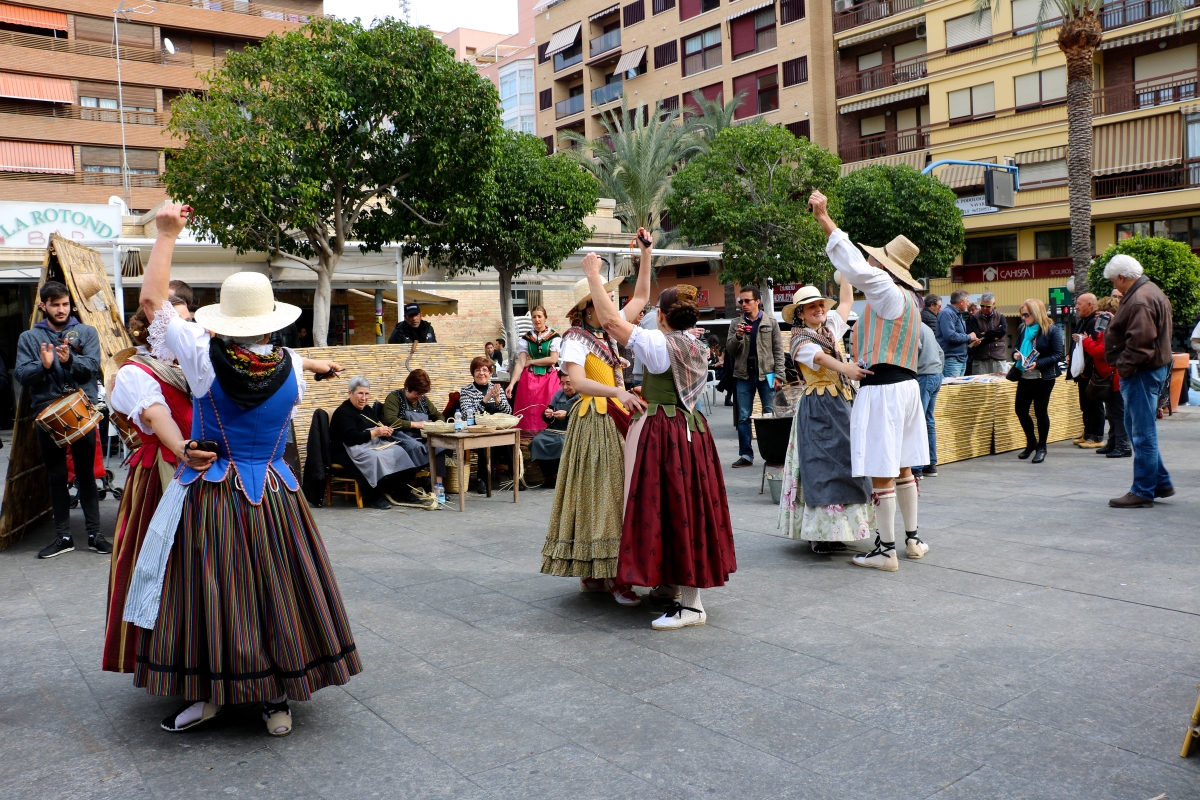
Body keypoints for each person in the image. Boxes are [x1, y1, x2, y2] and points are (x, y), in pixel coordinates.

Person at [132, 203, 358, 737]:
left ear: (223, 319)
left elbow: (149, 301)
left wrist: (166, 233)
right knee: (275, 589)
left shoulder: (201, 355)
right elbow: (308, 373)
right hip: (275, 491)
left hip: (212, 491)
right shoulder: (295, 366)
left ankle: (207, 696)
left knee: (209, 591)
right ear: (270, 319)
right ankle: (275, 700)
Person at [584, 261, 735, 631]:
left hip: (665, 433)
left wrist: (592, 275)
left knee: (672, 506)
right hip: (692, 431)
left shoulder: (658, 342)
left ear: (662, 316)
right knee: (685, 505)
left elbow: (610, 322)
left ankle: (692, 605)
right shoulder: (695, 344)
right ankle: (672, 586)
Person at [810, 190, 929, 572]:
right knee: (905, 465)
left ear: (885, 265)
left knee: (882, 467)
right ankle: (911, 540)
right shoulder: (910, 300)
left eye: (877, 257)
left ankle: (887, 549)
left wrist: (826, 219)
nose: (872, 259)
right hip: (906, 386)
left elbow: (858, 270)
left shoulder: (887, 291)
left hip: (885, 389)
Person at [540, 228, 652, 605]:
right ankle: (608, 575)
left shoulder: (607, 331)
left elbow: (641, 296)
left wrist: (646, 255)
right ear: (587, 308)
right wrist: (617, 391)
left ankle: (604, 573)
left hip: (616, 416)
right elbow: (577, 381)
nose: (609, 302)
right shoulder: (573, 337)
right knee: (603, 496)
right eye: (601, 298)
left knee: (615, 494)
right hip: (595, 421)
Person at [103, 299, 195, 673]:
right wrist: (179, 447)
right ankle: (165, 658)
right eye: (177, 322)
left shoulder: (192, 366)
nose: (186, 330)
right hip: (162, 473)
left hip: (203, 468)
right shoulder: (135, 372)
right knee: (160, 564)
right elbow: (155, 416)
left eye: (188, 321)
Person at [776, 282, 874, 554]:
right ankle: (819, 534)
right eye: (812, 307)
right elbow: (818, 357)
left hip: (841, 403)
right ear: (801, 313)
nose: (819, 309)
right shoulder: (800, 339)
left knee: (847, 462)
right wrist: (846, 367)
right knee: (821, 467)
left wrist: (846, 274)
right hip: (819, 406)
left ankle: (839, 529)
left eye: (820, 305)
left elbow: (845, 303)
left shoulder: (828, 328)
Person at [16, 281, 108, 559]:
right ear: (43, 306)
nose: (61, 309)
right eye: (55, 304)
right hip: (48, 413)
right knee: (56, 476)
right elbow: (22, 375)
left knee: (86, 476)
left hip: (81, 410)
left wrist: (69, 362)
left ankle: (94, 535)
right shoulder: (29, 338)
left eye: (65, 304)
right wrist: (42, 366)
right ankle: (63, 536)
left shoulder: (86, 332)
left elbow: (92, 369)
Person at [1103, 254, 1175, 508]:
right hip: (1148, 370)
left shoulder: (1139, 300)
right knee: (1139, 429)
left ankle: (1144, 490)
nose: (1115, 286)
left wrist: (1124, 367)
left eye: (1115, 281)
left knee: (1142, 433)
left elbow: (1141, 343)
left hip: (1141, 372)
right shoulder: (1150, 291)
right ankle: (1160, 482)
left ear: (1122, 277)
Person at [331, 377, 424, 509]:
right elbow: (351, 437)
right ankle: (374, 495)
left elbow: (377, 426)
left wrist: (385, 431)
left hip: (372, 444)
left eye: (367, 394)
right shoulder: (343, 412)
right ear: (350, 393)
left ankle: (400, 490)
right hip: (352, 449)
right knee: (375, 458)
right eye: (360, 393)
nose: (364, 398)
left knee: (399, 451)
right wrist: (375, 433)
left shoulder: (367, 409)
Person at [727, 286, 785, 468]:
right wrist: (737, 336)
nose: (743, 304)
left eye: (747, 301)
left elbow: (778, 351)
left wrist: (780, 376)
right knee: (743, 417)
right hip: (743, 376)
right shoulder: (736, 323)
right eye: (741, 301)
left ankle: (773, 455)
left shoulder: (771, 322)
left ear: (757, 301)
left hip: (767, 374)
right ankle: (746, 455)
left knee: (770, 416)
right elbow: (729, 350)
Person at [1012, 298, 1064, 464]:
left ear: (1036, 313)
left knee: (1040, 412)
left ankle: (1042, 447)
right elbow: (1017, 346)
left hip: (1043, 377)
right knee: (1020, 410)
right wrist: (1017, 354)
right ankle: (1031, 441)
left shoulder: (1051, 330)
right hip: (1024, 375)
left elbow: (1058, 355)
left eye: (1026, 315)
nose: (1023, 318)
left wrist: (1038, 363)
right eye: (1022, 315)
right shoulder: (1022, 328)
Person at [381, 368, 447, 497]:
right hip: (398, 435)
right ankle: (404, 486)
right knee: (413, 447)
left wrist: (436, 424)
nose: (420, 397)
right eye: (417, 394)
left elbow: (439, 416)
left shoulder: (423, 400)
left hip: (420, 437)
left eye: (422, 394)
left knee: (439, 445)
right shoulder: (394, 397)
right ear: (407, 387)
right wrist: (415, 424)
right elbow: (391, 420)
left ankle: (438, 488)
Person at [1082, 297, 1130, 458]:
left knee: (1118, 413)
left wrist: (1086, 341)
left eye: (1100, 313)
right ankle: (1113, 443)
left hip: (1114, 378)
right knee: (1113, 412)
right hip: (1110, 377)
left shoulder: (1113, 331)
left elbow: (1101, 351)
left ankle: (1123, 445)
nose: (1097, 317)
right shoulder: (1109, 329)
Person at [459, 355, 515, 492]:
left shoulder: (497, 388)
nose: (481, 373)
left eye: (485, 370)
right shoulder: (466, 391)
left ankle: (515, 477)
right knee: (486, 442)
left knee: (509, 440)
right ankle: (482, 479)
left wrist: (497, 400)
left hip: (496, 429)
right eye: (477, 370)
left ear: (490, 373)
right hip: (476, 431)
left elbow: (508, 412)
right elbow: (466, 415)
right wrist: (485, 399)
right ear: (473, 373)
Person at [506, 306, 562, 434]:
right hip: (529, 378)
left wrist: (531, 361)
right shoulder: (526, 338)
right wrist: (512, 384)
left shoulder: (554, 336)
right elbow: (520, 363)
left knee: (548, 406)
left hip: (549, 378)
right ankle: (527, 442)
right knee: (529, 409)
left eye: (539, 316)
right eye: (534, 316)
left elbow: (553, 359)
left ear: (545, 318)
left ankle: (549, 436)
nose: (536, 319)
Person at [528, 372, 579, 489]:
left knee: (562, 444)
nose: (565, 387)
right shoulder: (559, 395)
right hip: (554, 430)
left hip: (572, 432)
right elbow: (548, 415)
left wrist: (567, 415)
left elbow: (585, 417)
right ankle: (549, 476)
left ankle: (561, 478)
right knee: (537, 442)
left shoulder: (582, 397)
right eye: (562, 383)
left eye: (569, 384)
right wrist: (547, 414)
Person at [1069, 293, 1106, 449]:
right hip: (1082, 371)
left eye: (1079, 303)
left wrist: (1087, 367)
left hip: (1091, 371)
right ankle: (1088, 432)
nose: (1076, 306)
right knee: (1085, 404)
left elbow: (1096, 347)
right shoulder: (1082, 321)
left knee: (1094, 404)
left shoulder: (1097, 323)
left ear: (1090, 305)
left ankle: (1097, 436)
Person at [914, 306, 944, 478]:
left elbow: (914, 350)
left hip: (924, 375)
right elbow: (940, 352)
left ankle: (917, 467)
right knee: (928, 420)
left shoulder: (914, 328)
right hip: (935, 375)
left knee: (918, 420)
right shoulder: (926, 328)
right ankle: (931, 464)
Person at [937, 290, 977, 378]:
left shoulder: (957, 314)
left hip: (960, 359)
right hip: (952, 359)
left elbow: (957, 336)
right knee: (951, 389)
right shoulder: (947, 313)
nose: (968, 304)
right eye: (967, 301)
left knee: (957, 390)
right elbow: (950, 336)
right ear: (962, 302)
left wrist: (971, 341)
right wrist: (969, 336)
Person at [968, 292, 1008, 375]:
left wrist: (987, 333)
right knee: (980, 386)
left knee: (999, 386)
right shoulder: (974, 317)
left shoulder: (1000, 316)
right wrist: (994, 337)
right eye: (982, 305)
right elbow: (977, 336)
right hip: (980, 358)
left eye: (988, 306)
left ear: (994, 304)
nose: (984, 308)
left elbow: (1003, 331)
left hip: (998, 357)